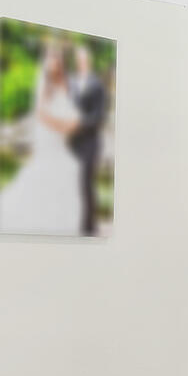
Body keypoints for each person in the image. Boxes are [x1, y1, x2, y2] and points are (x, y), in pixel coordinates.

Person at [0, 39, 83, 236]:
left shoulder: (68, 86)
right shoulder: (44, 87)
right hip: (49, 143)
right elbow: (42, 116)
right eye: (51, 58)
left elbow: (74, 117)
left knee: (69, 172)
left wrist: (72, 125)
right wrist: (66, 125)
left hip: (62, 146)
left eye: (57, 59)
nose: (55, 62)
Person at [66, 43, 109, 236]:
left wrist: (79, 123)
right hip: (71, 141)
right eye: (78, 60)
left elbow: (99, 116)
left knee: (86, 183)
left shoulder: (97, 86)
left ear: (88, 62)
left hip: (90, 141)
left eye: (84, 60)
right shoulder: (71, 83)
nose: (81, 63)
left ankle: (88, 228)